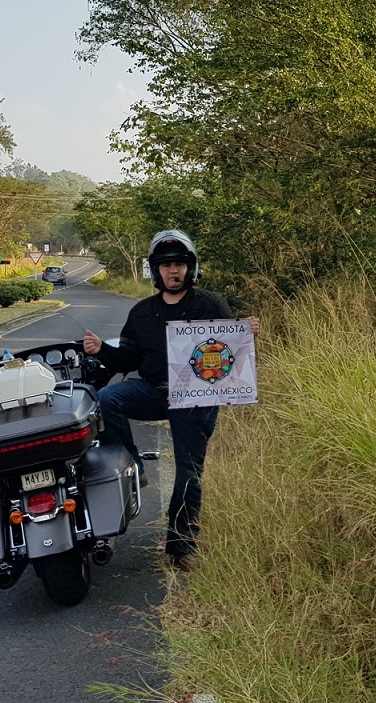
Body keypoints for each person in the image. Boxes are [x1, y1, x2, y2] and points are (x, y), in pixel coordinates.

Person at [82, 229, 259, 571]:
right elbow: (127, 361)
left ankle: (182, 546)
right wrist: (102, 350)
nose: (172, 271)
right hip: (154, 391)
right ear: (155, 271)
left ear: (191, 267)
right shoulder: (142, 312)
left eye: (179, 264)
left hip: (197, 397)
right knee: (108, 398)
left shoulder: (210, 304)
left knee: (188, 470)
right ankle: (134, 465)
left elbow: (234, 355)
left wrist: (247, 335)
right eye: (165, 265)